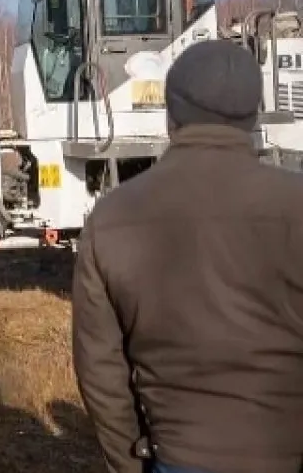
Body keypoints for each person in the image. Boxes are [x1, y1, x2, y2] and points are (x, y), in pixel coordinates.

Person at [72, 39, 303, 473]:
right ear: (253, 115)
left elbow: (101, 372)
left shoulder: (112, 217)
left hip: (180, 458)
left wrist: (130, 461)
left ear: (170, 114)